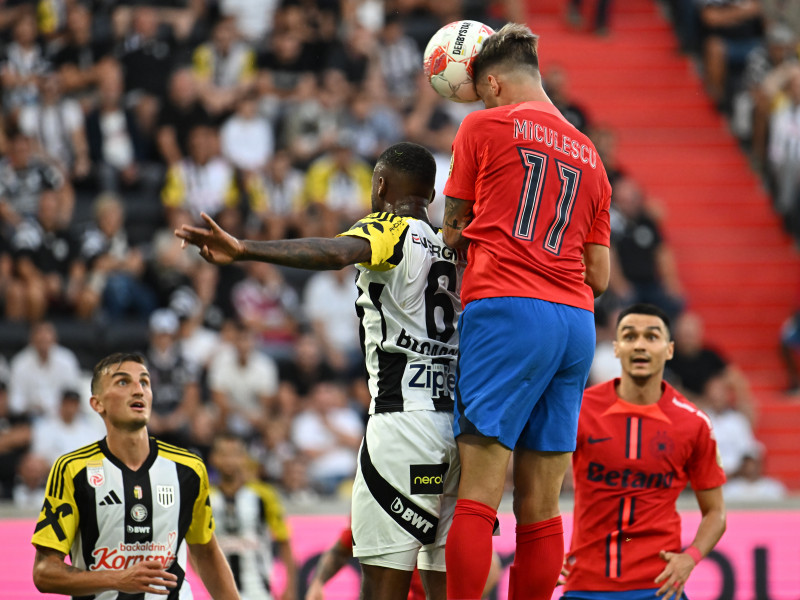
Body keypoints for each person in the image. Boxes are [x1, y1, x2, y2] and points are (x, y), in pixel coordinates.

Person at [176, 142, 461, 600]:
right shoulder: (454, 248)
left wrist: (245, 248)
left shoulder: (389, 228)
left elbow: (335, 253)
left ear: (382, 185)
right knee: (443, 584)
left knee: (383, 586)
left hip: (402, 427)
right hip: (455, 431)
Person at [441, 23, 611, 600]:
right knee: (541, 507)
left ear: (492, 82)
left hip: (508, 309)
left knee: (478, 494)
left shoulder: (484, 124)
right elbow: (603, 274)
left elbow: (454, 231)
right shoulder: (590, 153)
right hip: (575, 323)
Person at [30, 352, 239, 599]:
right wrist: (118, 579)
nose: (138, 390)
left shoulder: (189, 468)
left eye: (145, 382)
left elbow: (205, 552)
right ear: (97, 404)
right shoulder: (72, 469)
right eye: (123, 382)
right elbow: (44, 573)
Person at [561, 303, 727, 600]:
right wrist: (544, 547)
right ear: (616, 348)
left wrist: (690, 557)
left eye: (651, 337)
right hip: (584, 584)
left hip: (659, 586)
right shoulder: (578, 410)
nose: (640, 345)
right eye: (629, 336)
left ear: (669, 349)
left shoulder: (694, 423)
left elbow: (716, 512)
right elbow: (537, 485)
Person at [209, 433, 297, 600]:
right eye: (223, 454)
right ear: (213, 458)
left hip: (259, 590)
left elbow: (285, 541)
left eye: (234, 454)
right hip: (219, 593)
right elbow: (195, 547)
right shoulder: (205, 496)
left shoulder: (264, 495)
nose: (229, 460)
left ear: (244, 458)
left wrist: (290, 587)